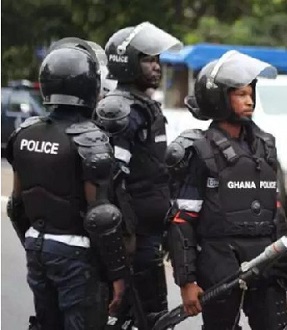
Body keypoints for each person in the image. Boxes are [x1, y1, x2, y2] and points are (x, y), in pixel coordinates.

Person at [166, 50, 287, 330]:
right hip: (219, 262)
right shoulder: (199, 149)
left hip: (266, 258)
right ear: (219, 98)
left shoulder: (266, 145)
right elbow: (182, 221)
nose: (249, 99)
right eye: (240, 93)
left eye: (251, 92)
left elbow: (274, 208)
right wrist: (187, 282)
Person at [6, 39, 128, 330]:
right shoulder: (90, 139)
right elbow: (101, 217)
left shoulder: (24, 133)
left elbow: (16, 205)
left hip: (38, 246)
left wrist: (37, 245)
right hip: (76, 254)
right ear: (90, 85)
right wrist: (118, 274)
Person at [93, 21, 183, 327]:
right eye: (148, 60)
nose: (156, 67)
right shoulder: (121, 111)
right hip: (134, 240)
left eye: (157, 60)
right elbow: (112, 180)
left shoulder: (145, 106)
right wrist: (125, 239)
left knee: (149, 316)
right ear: (127, 62)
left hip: (151, 233)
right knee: (147, 317)